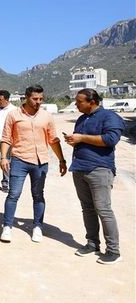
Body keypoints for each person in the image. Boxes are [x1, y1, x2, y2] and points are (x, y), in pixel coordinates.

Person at [0, 85, 67, 243]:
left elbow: (53, 139)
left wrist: (62, 160)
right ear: (26, 97)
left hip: (40, 162)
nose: (38, 102)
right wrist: (3, 157)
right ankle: (7, 226)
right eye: (35, 99)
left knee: (38, 195)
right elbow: (6, 138)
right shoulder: (13, 115)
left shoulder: (47, 116)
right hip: (19, 160)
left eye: (41, 99)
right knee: (13, 194)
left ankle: (37, 227)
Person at [65, 89, 125, 265]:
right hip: (80, 168)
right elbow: (83, 141)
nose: (76, 104)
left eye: (79, 101)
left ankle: (113, 250)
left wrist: (82, 138)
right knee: (87, 209)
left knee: (103, 210)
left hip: (100, 170)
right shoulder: (82, 118)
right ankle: (92, 243)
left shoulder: (109, 116)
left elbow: (111, 139)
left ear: (92, 102)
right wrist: (74, 140)